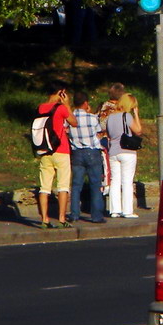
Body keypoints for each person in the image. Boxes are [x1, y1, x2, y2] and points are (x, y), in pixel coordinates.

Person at [35, 81, 78, 228]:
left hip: (45, 150)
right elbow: (74, 122)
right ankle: (61, 218)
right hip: (61, 150)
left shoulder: (40, 108)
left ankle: (44, 219)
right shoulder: (60, 108)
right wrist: (67, 104)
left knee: (44, 187)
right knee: (63, 186)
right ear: (61, 93)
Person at [67, 91, 105, 224]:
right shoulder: (92, 118)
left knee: (76, 185)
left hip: (76, 152)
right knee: (95, 184)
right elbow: (99, 132)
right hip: (92, 152)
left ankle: (74, 214)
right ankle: (96, 216)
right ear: (86, 103)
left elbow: (66, 131)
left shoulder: (69, 118)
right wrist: (90, 112)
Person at [105, 92, 142, 218]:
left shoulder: (110, 117)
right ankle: (127, 211)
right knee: (127, 181)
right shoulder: (127, 116)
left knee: (114, 180)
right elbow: (138, 130)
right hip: (127, 152)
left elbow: (109, 135)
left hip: (113, 152)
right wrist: (136, 114)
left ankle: (114, 210)